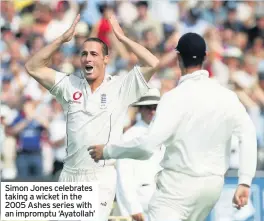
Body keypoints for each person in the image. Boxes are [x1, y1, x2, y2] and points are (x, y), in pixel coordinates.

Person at [89, 33, 258, 221]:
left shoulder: (173, 98)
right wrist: (245, 181)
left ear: (178, 58)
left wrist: (107, 151)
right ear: (205, 56)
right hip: (212, 188)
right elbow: (248, 134)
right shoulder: (227, 96)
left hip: (178, 188)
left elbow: (146, 147)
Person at [25, 14, 159, 221]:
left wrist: (123, 38)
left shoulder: (120, 87)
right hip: (69, 174)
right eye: (84, 54)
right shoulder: (68, 85)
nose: (88, 58)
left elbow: (152, 63)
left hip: (100, 177)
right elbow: (33, 67)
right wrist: (61, 39)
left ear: (106, 59)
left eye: (95, 54)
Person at [115, 88, 165, 221]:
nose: (152, 111)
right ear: (140, 109)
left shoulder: (165, 134)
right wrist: (133, 207)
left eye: (155, 107)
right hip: (142, 201)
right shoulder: (129, 137)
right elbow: (124, 176)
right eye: (148, 107)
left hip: (163, 202)